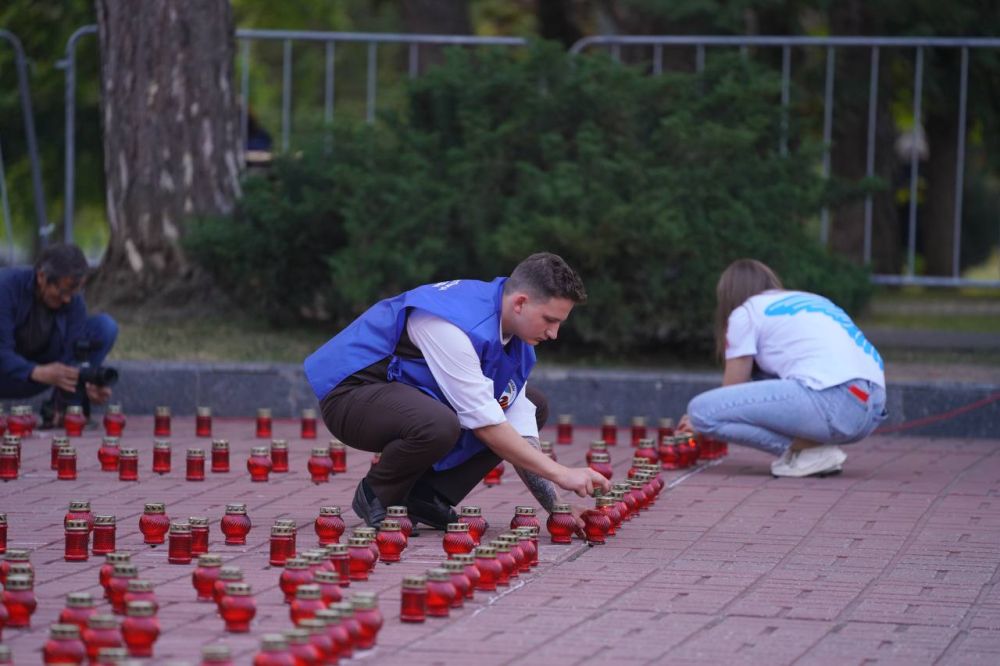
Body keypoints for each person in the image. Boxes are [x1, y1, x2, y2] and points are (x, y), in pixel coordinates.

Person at [304, 252, 611, 530]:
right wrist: (562, 473)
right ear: (520, 303)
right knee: (439, 424)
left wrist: (557, 506)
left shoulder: (516, 339)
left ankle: (426, 496)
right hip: (351, 394)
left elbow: (519, 430)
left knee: (533, 403)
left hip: (403, 392)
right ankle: (376, 494)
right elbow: (488, 425)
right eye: (550, 320)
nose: (554, 334)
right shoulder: (453, 323)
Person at [679, 259, 887, 478]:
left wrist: (699, 424)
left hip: (832, 398)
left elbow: (729, 394)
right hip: (872, 408)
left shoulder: (745, 312)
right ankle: (811, 451)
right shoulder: (813, 300)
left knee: (701, 411)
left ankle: (810, 451)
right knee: (761, 383)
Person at [0, 243, 118, 423]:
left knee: (105, 327)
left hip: (41, 370)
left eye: (74, 292)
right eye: (62, 291)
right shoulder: (6, 287)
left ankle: (65, 409)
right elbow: (2, 352)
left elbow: (75, 355)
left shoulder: (73, 300)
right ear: (41, 277)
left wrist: (87, 382)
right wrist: (36, 371)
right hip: (7, 372)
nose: (67, 299)